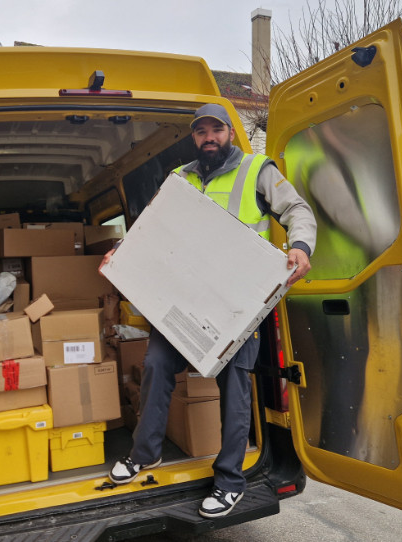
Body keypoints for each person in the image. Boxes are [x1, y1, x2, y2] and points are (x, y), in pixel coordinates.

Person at [103, 103, 317, 518]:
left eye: (216, 129)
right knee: (156, 366)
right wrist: (124, 252)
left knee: (235, 394)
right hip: (184, 303)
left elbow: (298, 211)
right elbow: (153, 229)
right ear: (194, 138)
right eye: (201, 132)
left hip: (237, 306)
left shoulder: (257, 170)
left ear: (230, 133)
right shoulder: (179, 178)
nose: (208, 138)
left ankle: (229, 481)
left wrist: (300, 245)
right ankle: (145, 454)